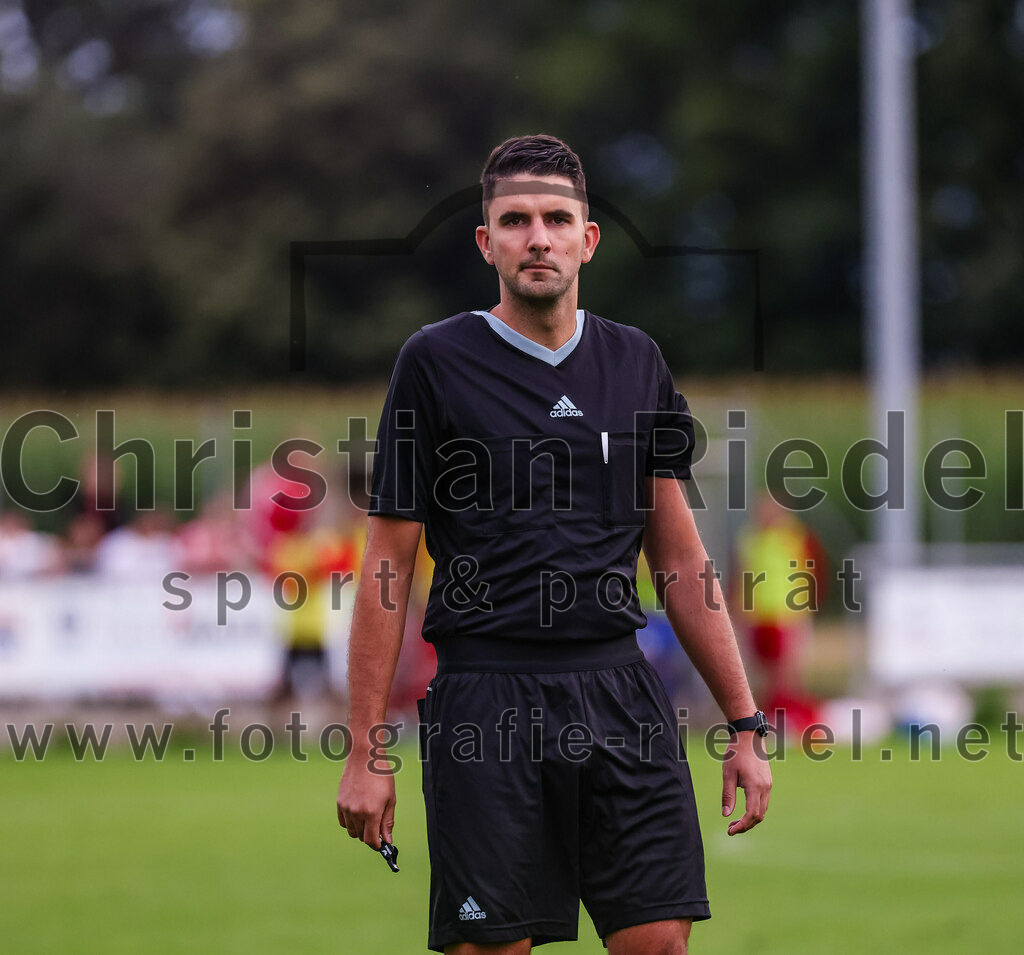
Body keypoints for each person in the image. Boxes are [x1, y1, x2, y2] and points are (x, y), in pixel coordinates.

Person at [337, 135, 772, 955]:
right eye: (517, 220)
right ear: (487, 241)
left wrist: (745, 723)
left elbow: (679, 560)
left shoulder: (636, 361)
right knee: (488, 949)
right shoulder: (434, 362)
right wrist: (366, 751)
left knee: (660, 944)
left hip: (619, 691)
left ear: (587, 238)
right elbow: (388, 566)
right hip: (485, 699)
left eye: (557, 218)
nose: (538, 236)